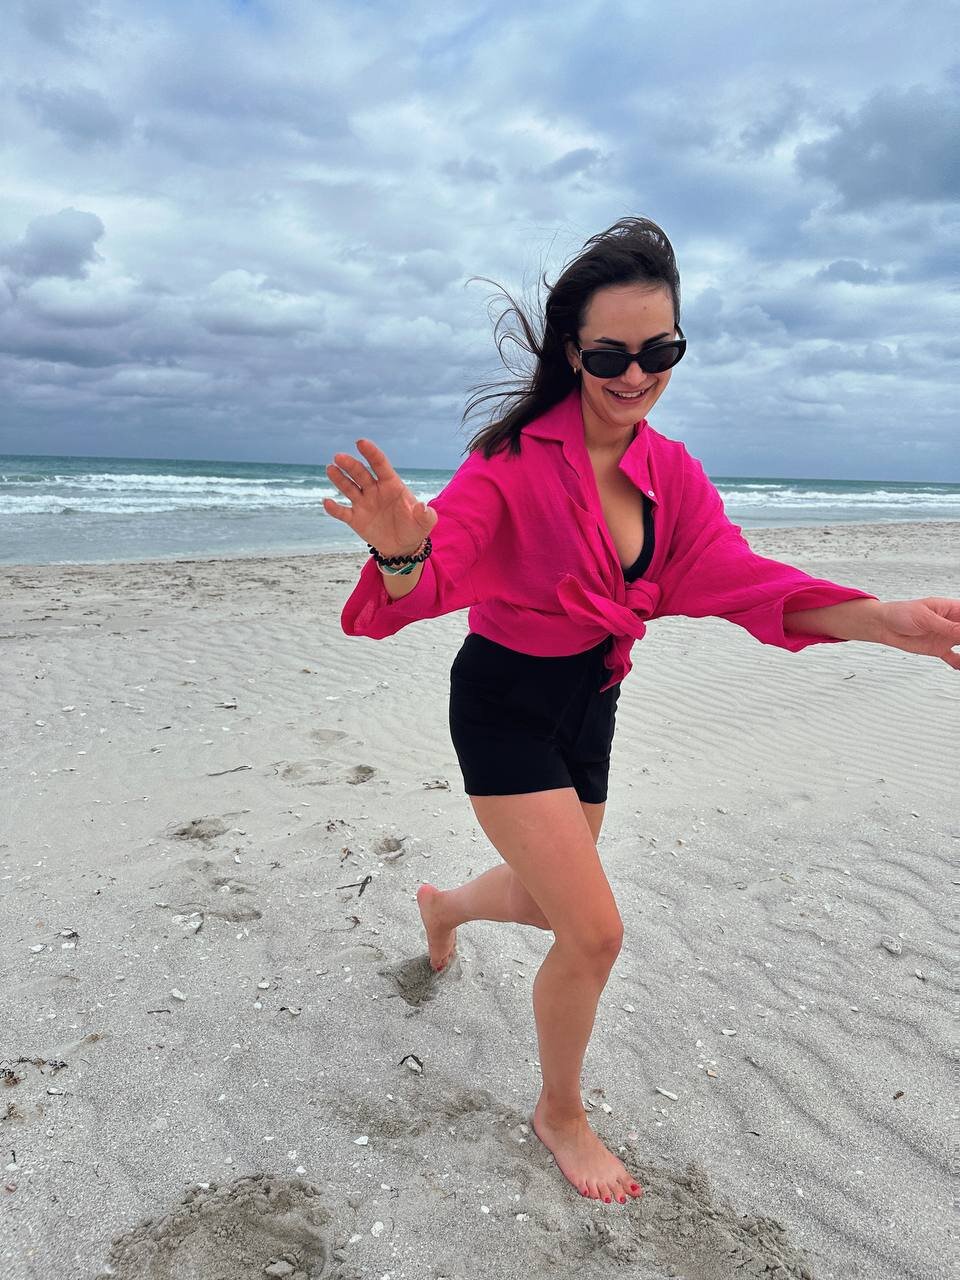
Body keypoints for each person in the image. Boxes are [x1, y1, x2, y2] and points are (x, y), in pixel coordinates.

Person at [322, 217, 960, 1207]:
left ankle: (444, 907)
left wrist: (882, 620)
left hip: (593, 699)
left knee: (549, 903)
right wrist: (401, 550)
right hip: (504, 702)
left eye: (658, 352)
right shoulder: (511, 462)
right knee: (594, 933)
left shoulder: (671, 473)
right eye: (610, 354)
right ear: (571, 351)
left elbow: (735, 576)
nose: (635, 375)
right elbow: (435, 571)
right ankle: (560, 1114)